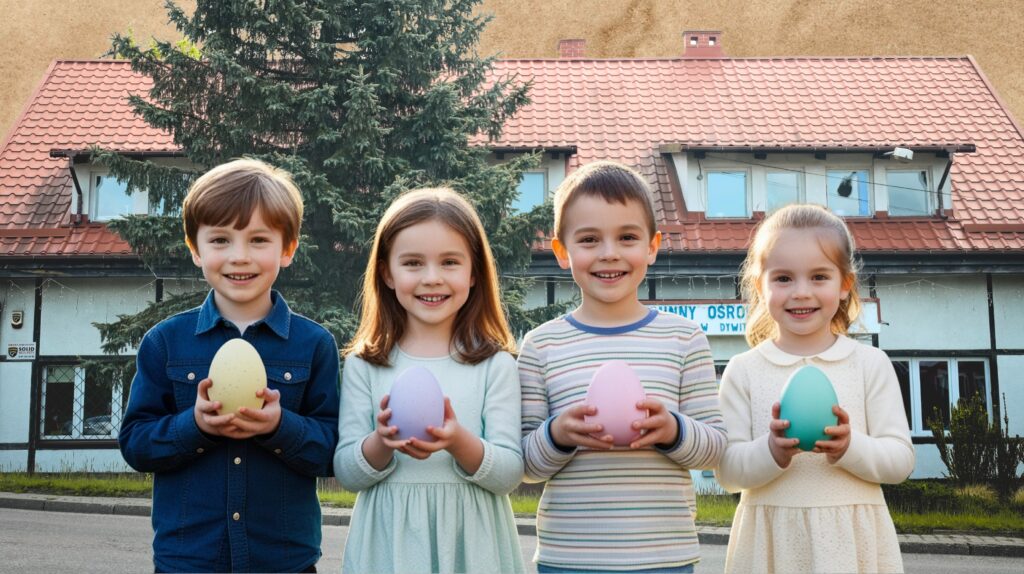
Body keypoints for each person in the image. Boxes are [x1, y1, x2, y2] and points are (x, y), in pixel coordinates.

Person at [118, 158, 340, 573]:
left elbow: (332, 451)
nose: (240, 257)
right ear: (195, 250)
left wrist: (280, 427)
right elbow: (135, 443)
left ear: (287, 248)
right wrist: (194, 426)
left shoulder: (314, 345)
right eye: (220, 240)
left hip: (284, 562)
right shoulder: (165, 343)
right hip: (189, 561)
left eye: (259, 240)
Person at [518, 161, 727, 573]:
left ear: (652, 246)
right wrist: (558, 434)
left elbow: (716, 447)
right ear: (563, 252)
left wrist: (674, 431)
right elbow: (523, 465)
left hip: (664, 558)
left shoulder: (684, 339)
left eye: (627, 237)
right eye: (590, 239)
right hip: (569, 559)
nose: (609, 253)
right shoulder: (540, 345)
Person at [334, 188, 525, 574]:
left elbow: (508, 474)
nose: (432, 278)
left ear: (474, 273)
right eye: (413, 263)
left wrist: (458, 442)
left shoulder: (495, 364)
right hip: (387, 548)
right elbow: (348, 474)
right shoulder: (365, 364)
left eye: (450, 262)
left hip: (473, 549)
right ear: (387, 273)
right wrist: (380, 442)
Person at [717, 203, 915, 573]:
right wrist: (771, 451)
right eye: (783, 278)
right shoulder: (743, 371)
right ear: (761, 286)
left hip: (851, 543)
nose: (801, 292)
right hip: (770, 546)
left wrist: (851, 445)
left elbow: (900, 461)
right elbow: (727, 471)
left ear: (845, 286)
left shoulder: (869, 365)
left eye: (819, 277)